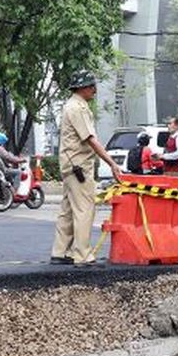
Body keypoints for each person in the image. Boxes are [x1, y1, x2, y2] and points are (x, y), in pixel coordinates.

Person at [50, 71, 122, 266]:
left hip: (71, 165)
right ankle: (82, 254)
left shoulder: (71, 105)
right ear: (82, 88)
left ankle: (60, 251)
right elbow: (91, 140)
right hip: (78, 166)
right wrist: (112, 163)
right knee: (84, 209)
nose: (94, 91)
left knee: (67, 209)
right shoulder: (77, 108)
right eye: (91, 87)